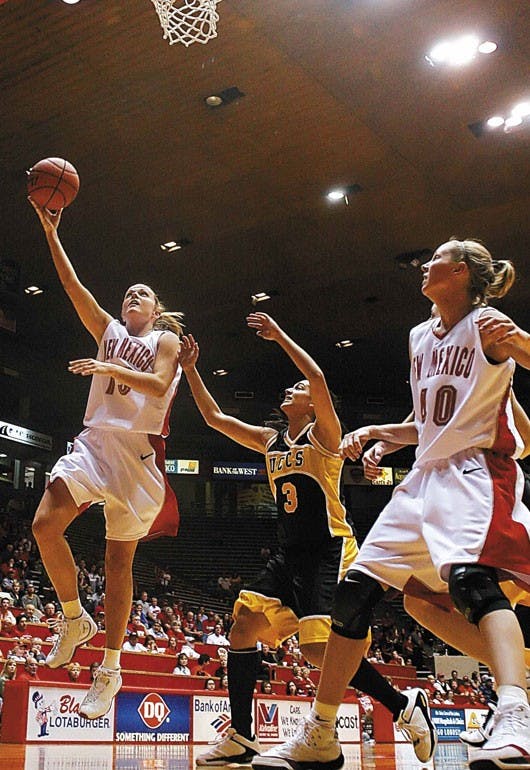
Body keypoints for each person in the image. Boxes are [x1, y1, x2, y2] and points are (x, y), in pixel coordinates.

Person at [253, 238, 530, 770]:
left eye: (439, 259)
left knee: (472, 583)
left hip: (473, 472)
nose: (427, 265)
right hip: (424, 475)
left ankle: (514, 711)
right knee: (353, 593)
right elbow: (430, 421)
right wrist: (384, 431)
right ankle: (321, 733)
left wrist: (518, 340)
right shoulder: (419, 336)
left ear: (466, 272)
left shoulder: (487, 324)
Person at [181, 312, 435, 767]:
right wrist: (190, 370)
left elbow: (316, 375)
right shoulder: (269, 440)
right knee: (241, 629)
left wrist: (279, 334)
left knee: (319, 651)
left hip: (329, 548)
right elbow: (215, 418)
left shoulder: (324, 436)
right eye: (292, 389)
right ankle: (241, 735)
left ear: (315, 407)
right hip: (289, 555)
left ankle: (402, 707)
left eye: (297, 391)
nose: (291, 390)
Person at [29, 199, 182, 720]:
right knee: (45, 524)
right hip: (95, 444)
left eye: (143, 292)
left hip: (138, 459)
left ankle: (111, 667)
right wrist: (51, 231)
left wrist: (106, 364)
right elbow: (73, 285)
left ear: (156, 309)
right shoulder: (110, 332)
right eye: (127, 293)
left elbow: (160, 383)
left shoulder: (167, 339)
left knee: (119, 563)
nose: (131, 295)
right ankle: (74, 619)